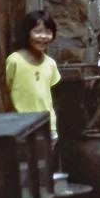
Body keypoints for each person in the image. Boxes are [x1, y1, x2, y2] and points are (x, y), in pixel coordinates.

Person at [5, 10, 61, 142]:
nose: (43, 36)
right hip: (20, 127)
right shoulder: (14, 61)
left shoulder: (50, 64)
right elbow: (5, 91)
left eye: (48, 32)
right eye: (38, 31)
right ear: (26, 33)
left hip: (47, 126)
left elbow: (51, 96)